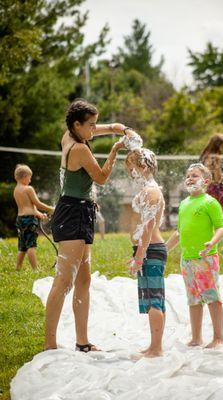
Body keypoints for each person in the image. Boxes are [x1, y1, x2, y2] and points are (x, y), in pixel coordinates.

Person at [45, 99, 126, 352]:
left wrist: (113, 126)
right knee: (63, 281)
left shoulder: (68, 135)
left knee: (83, 280)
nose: (94, 129)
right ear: (77, 124)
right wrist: (114, 151)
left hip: (80, 210)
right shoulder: (79, 149)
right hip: (73, 214)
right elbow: (101, 178)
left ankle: (82, 342)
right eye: (91, 125)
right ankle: (50, 344)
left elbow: (93, 129)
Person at [166, 163, 223, 348]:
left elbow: (221, 227)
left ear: (205, 181)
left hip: (205, 259)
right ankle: (196, 338)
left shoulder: (210, 202)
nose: (190, 178)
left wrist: (212, 242)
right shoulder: (184, 204)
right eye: (188, 175)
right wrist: (164, 250)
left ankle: (218, 337)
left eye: (194, 175)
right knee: (193, 299)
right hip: (187, 259)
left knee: (212, 297)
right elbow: (179, 233)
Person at [125, 148, 167, 358]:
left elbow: (148, 228)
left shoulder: (151, 192)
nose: (130, 173)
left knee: (154, 300)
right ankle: (155, 345)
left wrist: (140, 256)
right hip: (146, 248)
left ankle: (156, 349)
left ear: (142, 167)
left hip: (151, 249)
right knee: (152, 298)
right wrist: (137, 253)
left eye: (131, 168)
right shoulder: (148, 190)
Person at [13, 164, 54, 270]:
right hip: (30, 220)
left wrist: (39, 214)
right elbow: (37, 203)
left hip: (20, 219)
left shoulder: (16, 190)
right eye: (30, 177)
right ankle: (35, 269)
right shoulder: (28, 189)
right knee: (31, 246)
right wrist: (51, 209)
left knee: (22, 246)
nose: (30, 180)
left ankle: (18, 267)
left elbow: (29, 206)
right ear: (25, 176)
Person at [200, 133, 223, 215]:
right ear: (219, 145)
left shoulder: (205, 156)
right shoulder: (215, 157)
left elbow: (208, 174)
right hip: (216, 188)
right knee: (221, 216)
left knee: (209, 215)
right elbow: (217, 179)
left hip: (206, 187)